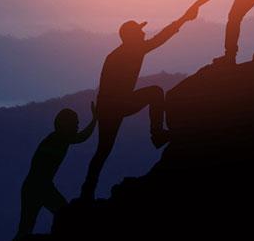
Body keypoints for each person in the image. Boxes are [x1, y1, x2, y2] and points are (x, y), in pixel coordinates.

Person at [80, 15, 190, 200]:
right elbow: (160, 39)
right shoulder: (133, 50)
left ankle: (86, 192)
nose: (143, 32)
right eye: (139, 31)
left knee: (103, 150)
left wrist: (100, 112)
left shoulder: (117, 54)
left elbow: (103, 86)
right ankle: (157, 134)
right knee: (155, 93)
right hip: (117, 104)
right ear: (131, 36)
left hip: (107, 107)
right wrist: (182, 21)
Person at [15, 104, 97, 239]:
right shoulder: (59, 138)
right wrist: (95, 120)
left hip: (36, 187)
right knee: (63, 216)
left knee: (26, 229)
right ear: (65, 124)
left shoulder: (56, 138)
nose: (77, 126)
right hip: (39, 188)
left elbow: (80, 137)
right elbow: (82, 137)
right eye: (75, 123)